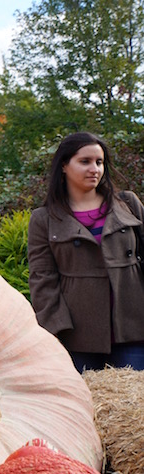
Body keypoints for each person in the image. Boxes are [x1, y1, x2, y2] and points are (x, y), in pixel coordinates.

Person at [27, 132, 144, 372]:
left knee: (134, 406)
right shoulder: (44, 219)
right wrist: (57, 330)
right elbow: (42, 278)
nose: (94, 169)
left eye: (99, 162)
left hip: (134, 328)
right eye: (85, 162)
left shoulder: (128, 204)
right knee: (85, 406)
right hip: (79, 335)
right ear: (64, 166)